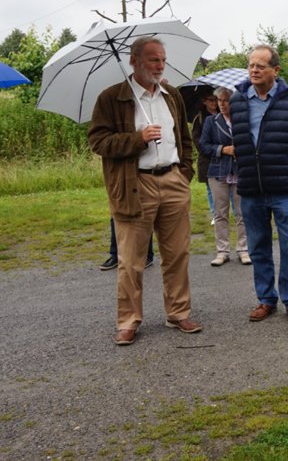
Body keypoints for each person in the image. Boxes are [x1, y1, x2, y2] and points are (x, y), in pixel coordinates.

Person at [87, 36, 202, 345]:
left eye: (162, 59)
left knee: (177, 254)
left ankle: (178, 313)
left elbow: (185, 139)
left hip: (173, 181)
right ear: (134, 61)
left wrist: (184, 172)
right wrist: (137, 139)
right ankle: (128, 320)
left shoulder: (171, 95)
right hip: (136, 184)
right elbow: (98, 142)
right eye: (153, 59)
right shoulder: (112, 98)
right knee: (131, 260)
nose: (160, 64)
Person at [230, 45, 288, 325]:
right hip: (251, 187)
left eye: (260, 66)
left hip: (284, 186)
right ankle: (266, 299)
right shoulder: (238, 99)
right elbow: (239, 141)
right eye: (251, 65)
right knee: (258, 247)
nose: (254, 70)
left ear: (275, 71)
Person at [200, 87, 250, 266]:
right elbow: (203, 146)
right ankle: (222, 251)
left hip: (240, 171)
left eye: (225, 100)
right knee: (220, 213)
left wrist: (241, 150)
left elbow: (251, 141)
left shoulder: (243, 120)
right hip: (218, 171)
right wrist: (223, 149)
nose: (221, 104)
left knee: (242, 212)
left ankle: (243, 249)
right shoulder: (210, 121)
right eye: (218, 100)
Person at [192, 93, 219, 224]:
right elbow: (196, 139)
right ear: (204, 101)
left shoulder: (224, 114)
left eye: (216, 100)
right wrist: (207, 150)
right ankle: (215, 213)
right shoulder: (200, 118)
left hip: (224, 154)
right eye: (211, 100)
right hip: (207, 158)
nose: (214, 103)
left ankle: (235, 212)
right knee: (210, 187)